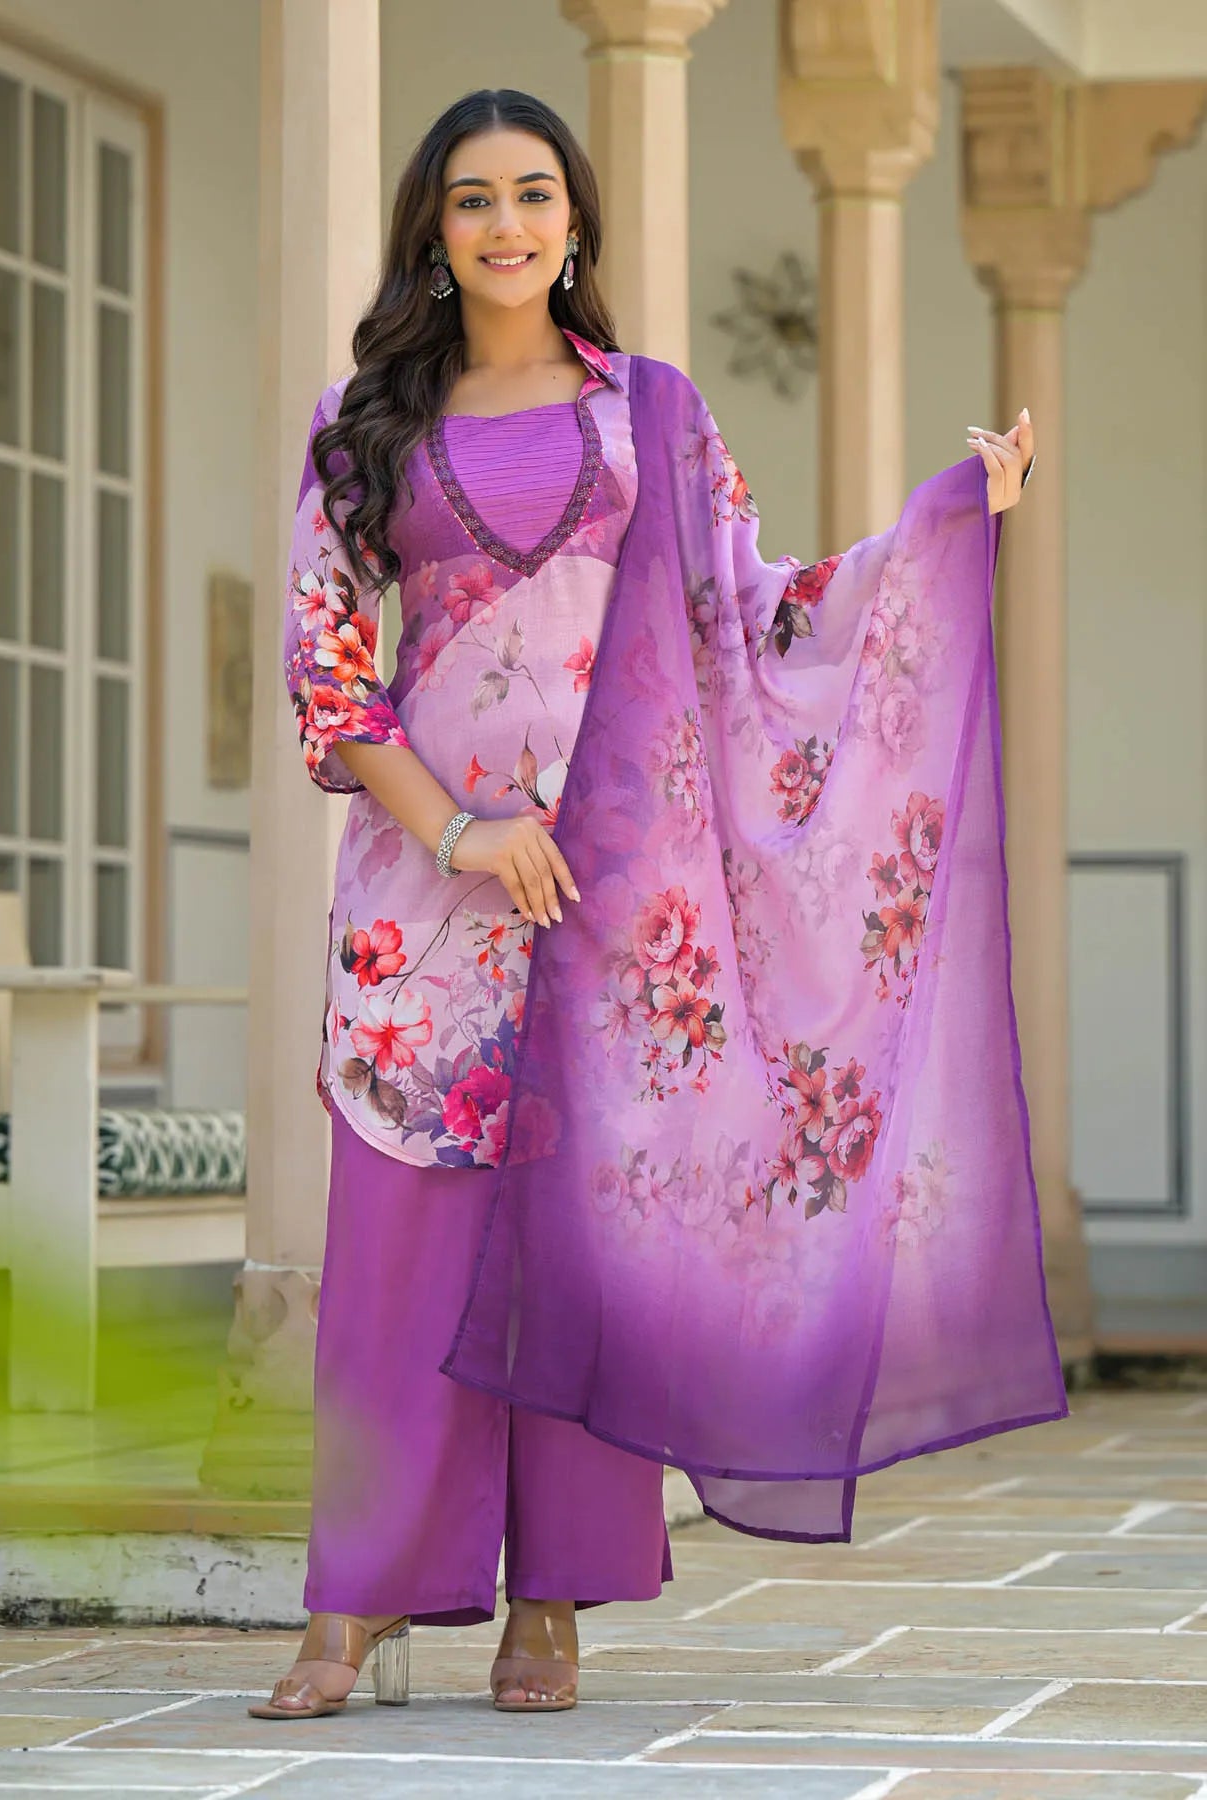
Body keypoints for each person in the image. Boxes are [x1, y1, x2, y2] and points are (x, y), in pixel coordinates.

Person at [251, 86, 1057, 1723]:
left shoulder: (654, 418)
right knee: (397, 1259)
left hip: (619, 905)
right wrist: (464, 832)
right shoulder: (364, 423)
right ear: (433, 228)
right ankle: (352, 1605)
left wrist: (944, 522)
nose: (504, 223)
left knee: (579, 1258)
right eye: (471, 200)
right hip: (424, 908)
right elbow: (330, 677)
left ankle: (549, 1599)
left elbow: (754, 608)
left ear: (574, 219)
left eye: (532, 193)